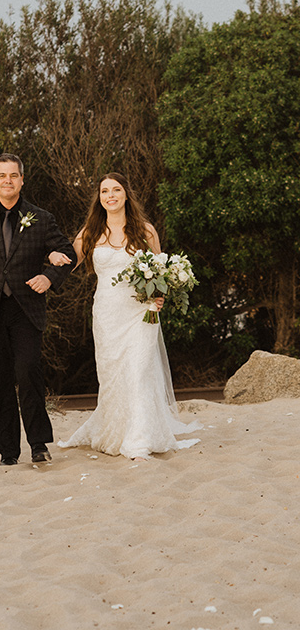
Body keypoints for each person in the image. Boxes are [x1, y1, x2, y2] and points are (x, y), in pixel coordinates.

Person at [52, 172, 201, 461]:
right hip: (107, 314)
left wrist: (160, 296)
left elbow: (161, 272)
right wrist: (51, 259)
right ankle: (116, 431)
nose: (110, 195)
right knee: (112, 375)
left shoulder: (145, 231)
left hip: (140, 313)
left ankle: (138, 440)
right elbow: (66, 265)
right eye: (105, 191)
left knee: (139, 371)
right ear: (99, 198)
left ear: (126, 194)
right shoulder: (89, 233)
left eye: (116, 189)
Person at [0, 153, 76, 466]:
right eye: (2, 175)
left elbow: (66, 253)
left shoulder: (41, 218)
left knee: (28, 372)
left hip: (26, 310)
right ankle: (8, 450)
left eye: (13, 175)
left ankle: (38, 444)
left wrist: (49, 277)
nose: (7, 180)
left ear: (22, 180)